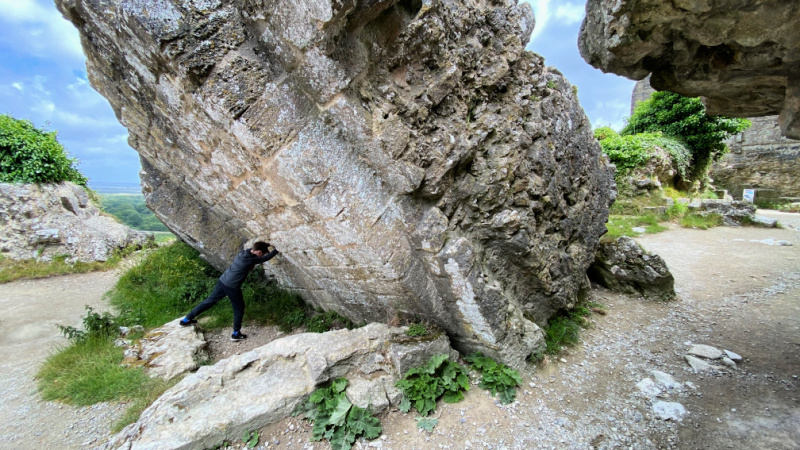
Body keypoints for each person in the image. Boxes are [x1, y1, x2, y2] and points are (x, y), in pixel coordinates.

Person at [179, 241, 279, 341]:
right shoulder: (250, 260)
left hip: (223, 281)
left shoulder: (243, 253)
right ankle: (236, 334)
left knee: (210, 301)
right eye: (261, 253)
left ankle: (186, 319)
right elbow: (265, 258)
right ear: (258, 252)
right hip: (232, 286)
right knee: (239, 308)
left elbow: (258, 252)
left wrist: (267, 244)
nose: (261, 256)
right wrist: (278, 249)